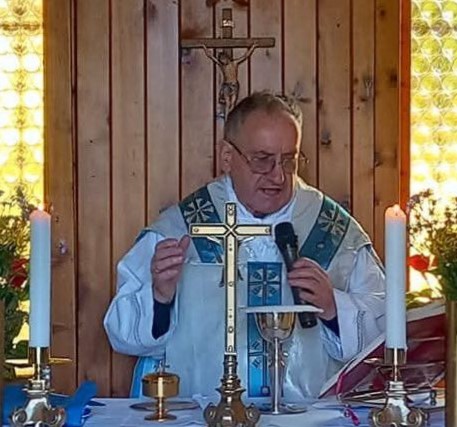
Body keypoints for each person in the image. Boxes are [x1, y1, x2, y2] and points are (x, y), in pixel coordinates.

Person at [104, 92, 385, 402]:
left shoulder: (332, 232)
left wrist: (334, 309)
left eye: (289, 160)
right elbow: (122, 335)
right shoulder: (181, 230)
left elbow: (387, 331)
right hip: (204, 415)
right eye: (262, 160)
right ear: (227, 157)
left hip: (306, 417)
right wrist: (159, 298)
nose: (278, 176)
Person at [202, 44, 257, 118]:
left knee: (233, 103)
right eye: (221, 60)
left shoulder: (234, 63)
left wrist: (253, 47)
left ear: (226, 58)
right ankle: (227, 117)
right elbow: (211, 56)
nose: (223, 61)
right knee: (227, 103)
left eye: (223, 59)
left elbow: (245, 56)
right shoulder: (222, 65)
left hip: (234, 84)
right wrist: (204, 48)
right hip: (226, 85)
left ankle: (230, 117)